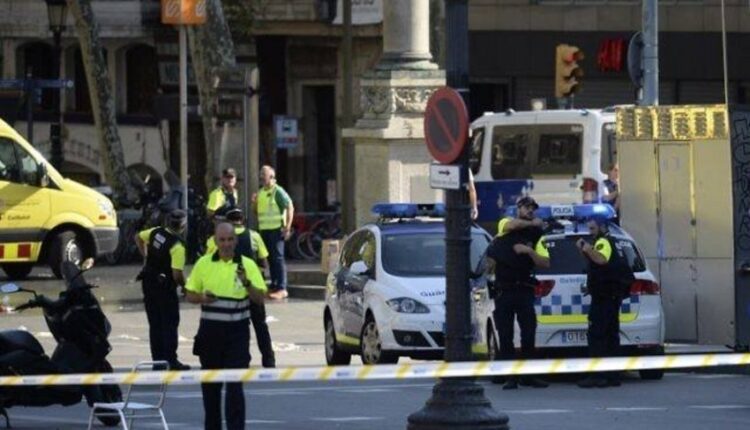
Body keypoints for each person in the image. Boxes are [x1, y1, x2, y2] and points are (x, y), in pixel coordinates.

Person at [185, 222, 267, 430]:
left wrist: (247, 283)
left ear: (236, 240)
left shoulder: (247, 265)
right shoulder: (204, 263)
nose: (226, 244)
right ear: (215, 241)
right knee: (210, 389)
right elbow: (189, 294)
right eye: (222, 240)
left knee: (234, 388)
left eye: (230, 239)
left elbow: (259, 298)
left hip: (237, 335)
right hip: (210, 335)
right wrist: (203, 298)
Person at [487, 196, 550, 390]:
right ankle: (510, 377)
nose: (530, 210)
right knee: (505, 335)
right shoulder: (506, 223)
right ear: (519, 208)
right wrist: (532, 223)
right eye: (526, 207)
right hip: (504, 290)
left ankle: (528, 376)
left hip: (524, 289)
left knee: (528, 334)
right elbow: (512, 226)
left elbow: (545, 262)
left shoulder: (536, 235)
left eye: (533, 208)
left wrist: (529, 252)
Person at [205, 208, 276, 368]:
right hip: (251, 288)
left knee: (234, 328)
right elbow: (264, 262)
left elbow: (208, 261)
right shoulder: (254, 236)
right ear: (243, 220)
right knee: (260, 325)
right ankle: (268, 359)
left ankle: (237, 359)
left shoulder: (216, 239)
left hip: (228, 291)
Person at [576, 217, 634, 388]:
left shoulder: (603, 242)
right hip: (611, 296)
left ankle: (598, 375)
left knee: (597, 336)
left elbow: (601, 260)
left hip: (604, 298)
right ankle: (612, 376)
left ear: (602, 227)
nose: (590, 232)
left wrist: (587, 248)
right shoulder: (615, 242)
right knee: (611, 336)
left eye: (593, 228)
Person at [134, 209, 191, 371]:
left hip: (148, 283)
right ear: (183, 226)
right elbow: (177, 274)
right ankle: (171, 360)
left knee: (155, 324)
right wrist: (184, 287)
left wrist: (146, 257)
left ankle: (158, 361)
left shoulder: (156, 232)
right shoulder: (177, 246)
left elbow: (138, 237)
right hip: (165, 288)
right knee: (170, 324)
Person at [253, 165, 294, 300]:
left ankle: (282, 288)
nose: (261, 177)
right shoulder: (260, 192)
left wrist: (287, 227)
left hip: (276, 230)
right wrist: (254, 203)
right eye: (260, 174)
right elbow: (256, 212)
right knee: (270, 259)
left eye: (263, 175)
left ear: (271, 176)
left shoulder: (278, 191)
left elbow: (290, 207)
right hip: (264, 230)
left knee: (277, 259)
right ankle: (274, 285)